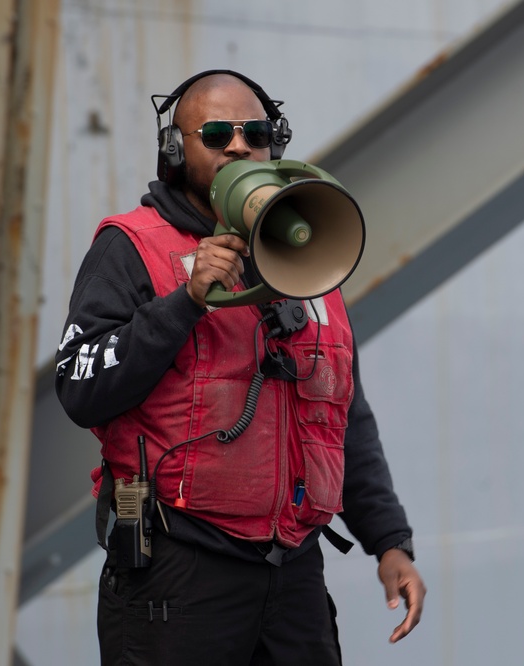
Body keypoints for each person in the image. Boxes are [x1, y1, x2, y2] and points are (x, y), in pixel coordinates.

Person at [55, 69, 426, 665]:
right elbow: (79, 387)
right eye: (216, 134)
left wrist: (389, 541)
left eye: (253, 132)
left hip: (293, 573)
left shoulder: (309, 257)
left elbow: (340, 414)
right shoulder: (132, 248)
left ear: (273, 144)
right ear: (176, 151)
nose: (238, 145)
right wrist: (185, 302)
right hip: (177, 575)